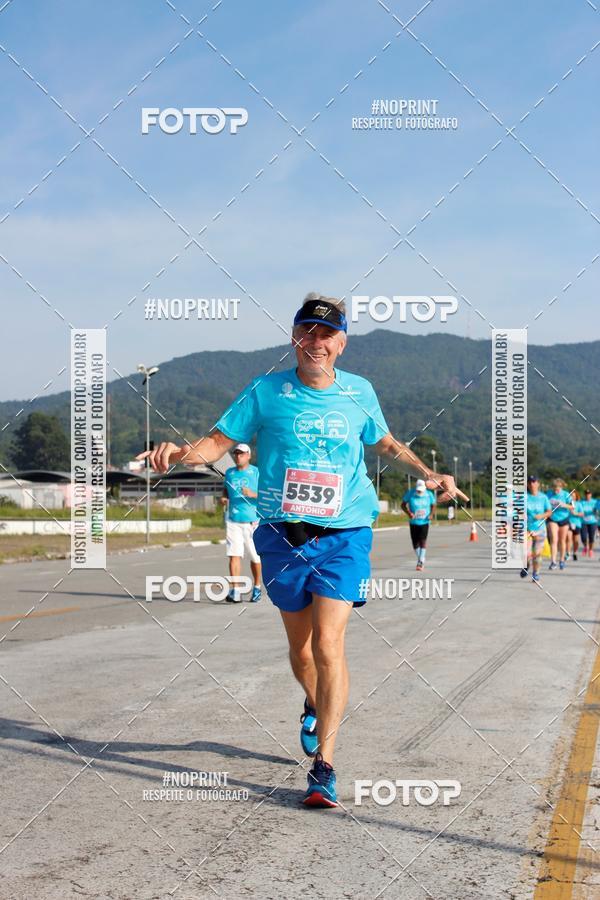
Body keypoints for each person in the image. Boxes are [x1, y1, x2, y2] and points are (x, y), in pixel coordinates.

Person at [137, 293, 467, 808]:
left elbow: (385, 444)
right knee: (302, 650)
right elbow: (216, 444)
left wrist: (430, 474)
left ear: (341, 343)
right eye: (305, 332)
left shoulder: (359, 392)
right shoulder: (266, 391)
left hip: (344, 533)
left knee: (329, 646)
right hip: (282, 536)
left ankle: (325, 767)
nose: (315, 342)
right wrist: (179, 452)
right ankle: (313, 704)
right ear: (295, 338)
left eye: (325, 334)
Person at [220, 443, 262, 603]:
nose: (238, 456)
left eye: (242, 454)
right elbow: (226, 489)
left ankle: (257, 587)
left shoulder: (256, 472)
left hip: (252, 520)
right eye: (236, 453)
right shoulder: (230, 473)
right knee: (234, 555)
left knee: (255, 557)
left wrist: (252, 494)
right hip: (233, 519)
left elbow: (266, 494)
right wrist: (224, 497)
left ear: (249, 456)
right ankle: (235, 590)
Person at [521, 475, 552, 582]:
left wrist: (541, 516)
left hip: (540, 529)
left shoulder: (543, 497)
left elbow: (549, 512)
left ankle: (536, 573)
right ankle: (526, 564)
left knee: (537, 554)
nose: (532, 484)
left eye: (534, 482)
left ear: (538, 483)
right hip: (527, 529)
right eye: (530, 482)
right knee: (526, 553)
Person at [401, 479, 436, 571]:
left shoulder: (429, 494)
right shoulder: (410, 493)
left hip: (424, 521)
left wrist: (431, 514)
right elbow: (403, 505)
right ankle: (421, 557)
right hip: (414, 522)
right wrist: (409, 513)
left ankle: (420, 561)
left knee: (422, 540)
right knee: (415, 543)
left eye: (421, 490)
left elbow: (433, 505)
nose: (419, 491)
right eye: (418, 490)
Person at [545, 478, 574, 570]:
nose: (555, 491)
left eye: (557, 489)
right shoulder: (549, 494)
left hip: (564, 518)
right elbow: (545, 505)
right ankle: (553, 562)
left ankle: (561, 560)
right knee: (554, 539)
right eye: (554, 489)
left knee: (562, 540)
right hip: (552, 518)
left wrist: (564, 505)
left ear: (561, 487)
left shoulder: (566, 494)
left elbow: (572, 506)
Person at [566, 490, 584, 562]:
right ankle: (568, 553)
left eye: (573, 496)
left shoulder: (579, 504)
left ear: (576, 496)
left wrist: (576, 513)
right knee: (569, 538)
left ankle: (575, 552)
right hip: (569, 523)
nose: (572, 497)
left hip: (577, 524)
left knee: (576, 541)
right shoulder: (567, 504)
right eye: (571, 496)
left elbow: (582, 514)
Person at [580, 489, 597, 558]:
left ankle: (591, 550)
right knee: (583, 537)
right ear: (585, 495)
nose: (588, 495)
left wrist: (596, 511)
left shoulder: (595, 502)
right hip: (583, 522)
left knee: (591, 537)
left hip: (592, 522)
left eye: (589, 494)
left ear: (591, 495)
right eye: (586, 494)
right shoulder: (581, 502)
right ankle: (585, 547)